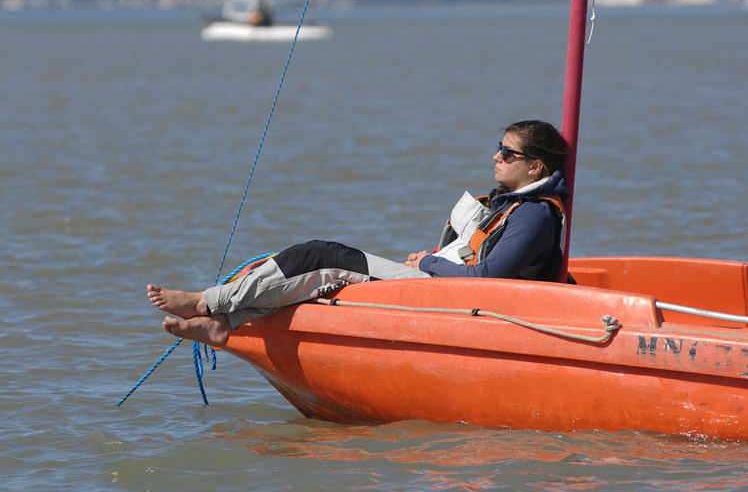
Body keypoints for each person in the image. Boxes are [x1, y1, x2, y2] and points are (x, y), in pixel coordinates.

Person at [148, 119, 569, 347]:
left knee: (321, 259)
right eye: (499, 146)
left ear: (535, 167)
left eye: (508, 152)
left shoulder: (534, 216)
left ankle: (207, 302)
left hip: (456, 300)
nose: (496, 156)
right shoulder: (512, 204)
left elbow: (487, 282)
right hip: (446, 287)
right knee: (317, 261)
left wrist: (427, 262)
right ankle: (224, 323)